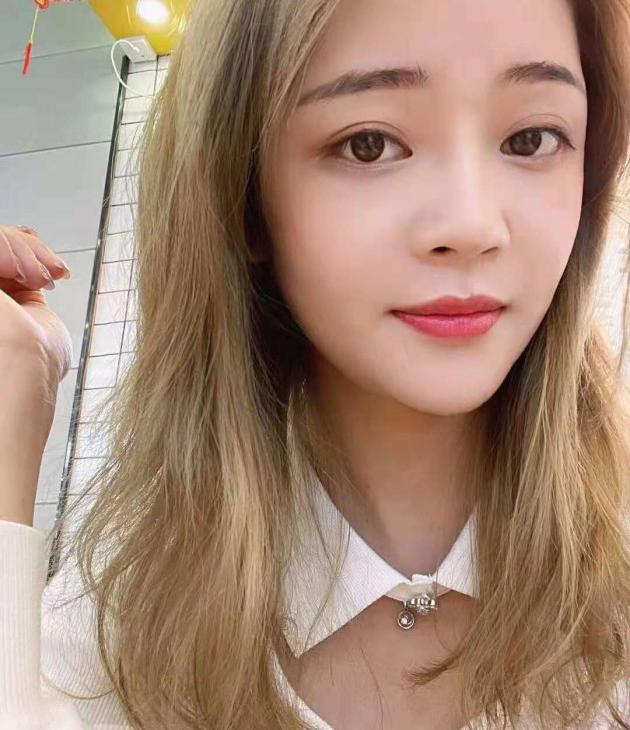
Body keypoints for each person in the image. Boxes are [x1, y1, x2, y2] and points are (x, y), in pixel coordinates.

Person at [1, 0, 629, 727]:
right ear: (245, 201)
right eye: (368, 145)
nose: (471, 225)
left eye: (530, 138)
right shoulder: (124, 619)